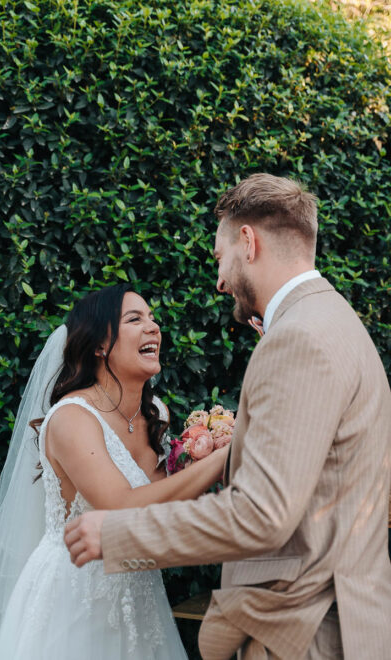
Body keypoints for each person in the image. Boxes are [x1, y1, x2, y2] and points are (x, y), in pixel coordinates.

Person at [65, 174, 391, 660]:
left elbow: (263, 515)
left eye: (219, 259)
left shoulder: (300, 339)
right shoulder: (331, 321)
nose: (218, 281)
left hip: (303, 635)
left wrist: (116, 533)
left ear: (247, 241)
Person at [0, 284, 228, 660]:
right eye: (135, 319)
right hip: (75, 595)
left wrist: (201, 461)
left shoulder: (158, 415)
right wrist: (223, 458)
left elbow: (161, 508)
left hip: (139, 592)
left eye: (153, 318)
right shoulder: (73, 417)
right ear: (100, 346)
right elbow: (119, 507)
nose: (153, 327)